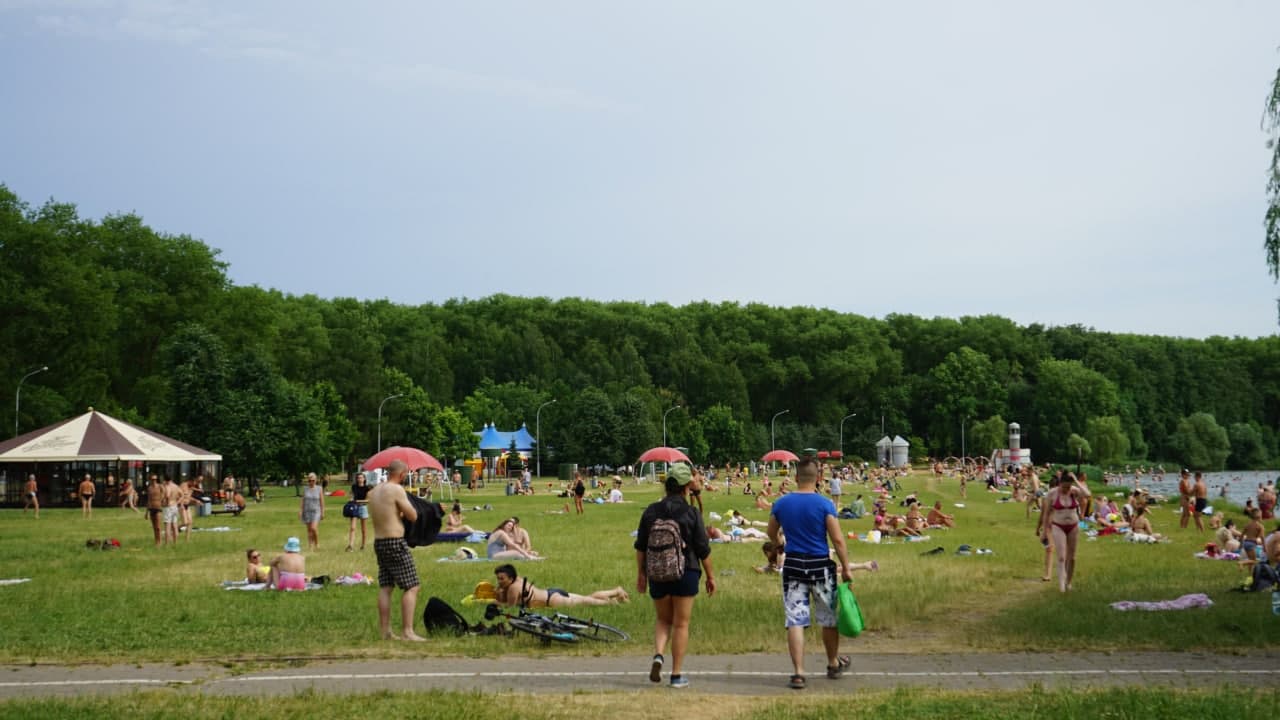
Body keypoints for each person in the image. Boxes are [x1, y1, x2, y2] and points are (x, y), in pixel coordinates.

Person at [766, 456, 852, 690]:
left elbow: (771, 531)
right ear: (819, 478)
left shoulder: (782, 503)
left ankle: (798, 673)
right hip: (820, 566)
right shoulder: (825, 504)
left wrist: (779, 544)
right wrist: (846, 568)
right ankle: (833, 663)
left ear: (796, 478)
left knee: (795, 620)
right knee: (828, 618)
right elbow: (837, 539)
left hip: (793, 564)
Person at [634, 462, 714, 689]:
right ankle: (677, 675)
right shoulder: (691, 513)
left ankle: (658, 654)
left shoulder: (651, 511)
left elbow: (640, 547)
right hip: (686, 571)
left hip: (657, 573)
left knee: (662, 619)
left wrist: (641, 574)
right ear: (686, 485)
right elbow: (703, 549)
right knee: (681, 624)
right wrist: (711, 577)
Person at [368, 459, 424, 641]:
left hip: (379, 542)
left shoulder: (374, 492)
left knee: (386, 586)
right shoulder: (397, 490)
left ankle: (385, 632)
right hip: (395, 542)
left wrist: (397, 513)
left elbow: (386, 513)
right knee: (412, 586)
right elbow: (413, 515)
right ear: (402, 474)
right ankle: (408, 631)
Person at [493, 564, 628, 608]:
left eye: (502, 579)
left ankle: (614, 601)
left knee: (589, 602)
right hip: (551, 593)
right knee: (587, 598)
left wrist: (495, 598)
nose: (499, 581)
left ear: (510, 578)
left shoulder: (512, 588)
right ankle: (615, 591)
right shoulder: (518, 580)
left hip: (552, 600)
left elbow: (509, 607)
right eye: (498, 578)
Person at [1044, 471, 1090, 592]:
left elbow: (1087, 494)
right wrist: (1044, 531)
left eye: (1068, 487)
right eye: (1064, 487)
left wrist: (1075, 480)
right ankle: (1062, 586)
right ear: (1059, 484)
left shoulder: (1074, 490)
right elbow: (1046, 513)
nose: (1066, 489)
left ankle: (1068, 582)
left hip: (1073, 526)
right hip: (1058, 526)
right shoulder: (1052, 494)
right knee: (1061, 557)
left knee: (1072, 558)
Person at [346, 472, 370, 552]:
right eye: (358, 478)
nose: (359, 479)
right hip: (354, 507)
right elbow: (351, 495)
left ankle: (363, 545)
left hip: (363, 507)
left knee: (363, 529)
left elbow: (367, 501)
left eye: (361, 478)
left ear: (364, 479)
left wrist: (357, 501)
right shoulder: (354, 487)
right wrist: (350, 498)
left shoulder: (367, 488)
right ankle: (351, 546)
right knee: (352, 528)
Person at [300, 472, 324, 551]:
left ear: (316, 480)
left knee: (314, 528)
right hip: (307, 511)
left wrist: (323, 512)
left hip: (316, 511)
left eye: (313, 480)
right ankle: (310, 545)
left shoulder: (319, 488)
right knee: (309, 530)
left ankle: (317, 543)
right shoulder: (305, 489)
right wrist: (301, 510)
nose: (311, 482)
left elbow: (321, 501)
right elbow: (303, 500)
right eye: (309, 480)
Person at [145, 474, 164, 546]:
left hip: (158, 507)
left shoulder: (160, 486)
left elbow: (164, 495)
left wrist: (161, 502)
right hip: (151, 507)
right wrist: (146, 512)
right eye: (152, 479)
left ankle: (160, 541)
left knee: (158, 527)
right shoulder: (149, 488)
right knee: (154, 527)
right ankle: (156, 541)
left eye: (155, 479)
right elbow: (148, 500)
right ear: (150, 480)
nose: (154, 481)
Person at [162, 476, 181, 545]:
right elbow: (181, 495)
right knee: (175, 525)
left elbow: (167, 495)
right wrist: (177, 502)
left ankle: (166, 544)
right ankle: (175, 543)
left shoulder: (167, 486)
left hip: (168, 507)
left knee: (167, 526)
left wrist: (166, 502)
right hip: (174, 506)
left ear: (165, 480)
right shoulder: (176, 486)